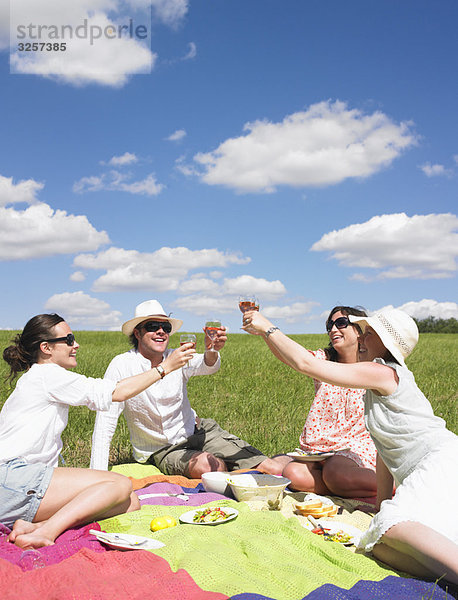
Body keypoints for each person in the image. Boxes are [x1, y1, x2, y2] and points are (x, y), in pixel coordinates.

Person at [242, 308, 458, 584]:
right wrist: (380, 504)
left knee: (389, 529)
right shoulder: (377, 383)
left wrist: (267, 327)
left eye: (369, 333)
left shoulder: (383, 372)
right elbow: (385, 450)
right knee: (378, 546)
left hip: (439, 461)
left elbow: (307, 365)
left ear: (386, 343)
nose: (362, 338)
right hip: (429, 467)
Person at [0, 312, 195, 549]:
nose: (76, 345)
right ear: (46, 348)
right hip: (12, 477)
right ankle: (46, 532)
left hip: (21, 482)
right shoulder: (47, 374)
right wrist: (165, 368)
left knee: (130, 502)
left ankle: (34, 526)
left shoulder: (41, 377)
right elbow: (117, 392)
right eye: (69, 339)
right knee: (120, 485)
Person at [90, 300, 287, 478]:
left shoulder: (175, 356)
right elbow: (106, 421)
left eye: (165, 327)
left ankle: (284, 463)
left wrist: (211, 349)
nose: (161, 331)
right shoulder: (122, 364)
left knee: (271, 468)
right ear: (137, 333)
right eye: (152, 326)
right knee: (213, 468)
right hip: (164, 449)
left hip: (199, 431)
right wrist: (96, 475)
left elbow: (206, 365)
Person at [282, 306, 377, 498]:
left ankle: (398, 486)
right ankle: (344, 489)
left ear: (359, 329)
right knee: (293, 474)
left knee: (335, 472)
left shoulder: (372, 366)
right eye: (330, 325)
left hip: (356, 447)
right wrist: (265, 333)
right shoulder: (324, 361)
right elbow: (293, 358)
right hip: (320, 450)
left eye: (341, 323)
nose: (333, 329)